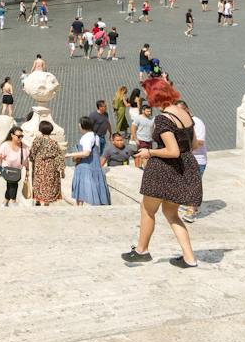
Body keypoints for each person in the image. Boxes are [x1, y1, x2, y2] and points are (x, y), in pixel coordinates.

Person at [123, 80, 202, 269]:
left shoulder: (163, 119)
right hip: (183, 169)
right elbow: (194, 144)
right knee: (171, 213)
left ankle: (142, 251)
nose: (146, 98)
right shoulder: (184, 112)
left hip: (164, 171)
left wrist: (149, 152)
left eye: (147, 93)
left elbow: (172, 151)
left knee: (147, 210)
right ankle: (189, 258)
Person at [69, 118, 111, 206]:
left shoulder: (86, 137)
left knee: (81, 191)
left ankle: (80, 208)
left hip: (84, 166)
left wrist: (70, 154)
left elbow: (86, 153)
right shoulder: (95, 136)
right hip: (95, 166)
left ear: (82, 125)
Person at [28, 121, 65, 206]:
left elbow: (32, 152)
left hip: (39, 165)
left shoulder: (37, 140)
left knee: (39, 182)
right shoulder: (54, 142)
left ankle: (38, 200)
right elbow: (59, 156)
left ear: (40, 129)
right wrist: (62, 170)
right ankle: (46, 203)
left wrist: (33, 160)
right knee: (49, 183)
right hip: (51, 165)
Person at [0, 127, 26, 207]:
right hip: (5, 167)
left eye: (22, 136)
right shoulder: (5, 145)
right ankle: (13, 201)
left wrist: (28, 169)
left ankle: (5, 201)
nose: (20, 138)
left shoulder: (23, 145)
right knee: (13, 183)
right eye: (18, 136)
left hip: (17, 169)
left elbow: (27, 156)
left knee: (11, 183)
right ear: (12, 135)